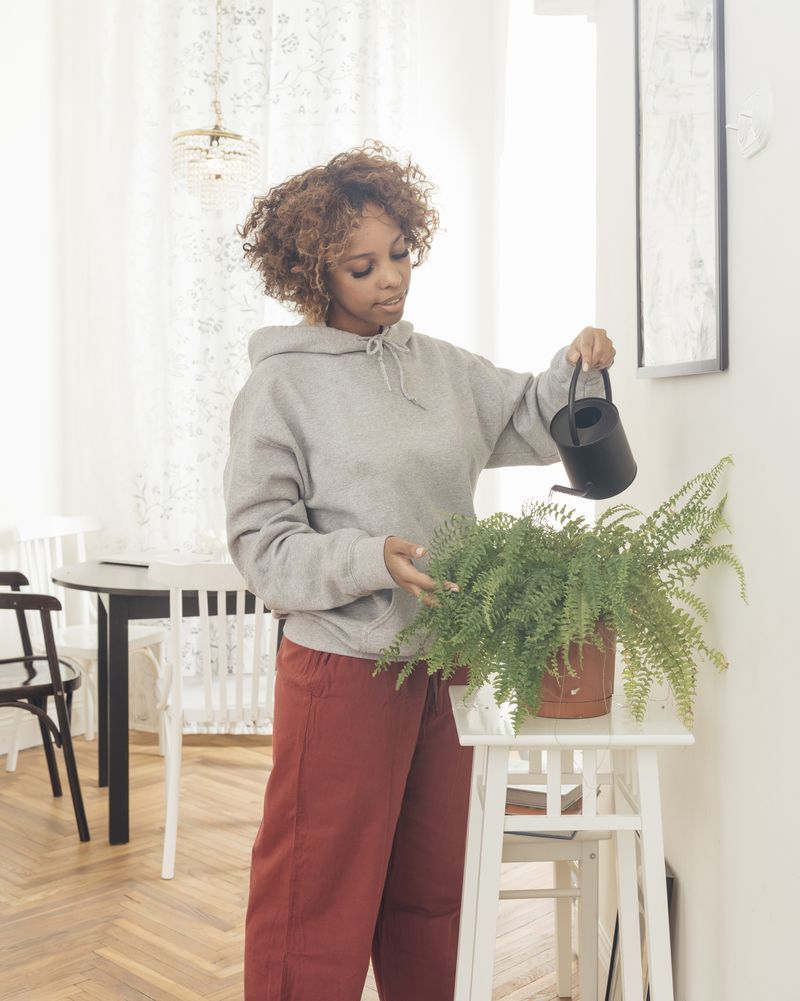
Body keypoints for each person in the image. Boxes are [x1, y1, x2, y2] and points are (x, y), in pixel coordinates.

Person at [224, 141, 615, 1001]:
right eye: (362, 267)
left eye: (400, 253)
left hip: (448, 659)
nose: (390, 279)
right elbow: (260, 543)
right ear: (314, 273)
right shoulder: (282, 387)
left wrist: (575, 365)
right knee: (314, 896)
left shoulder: (435, 363)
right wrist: (373, 559)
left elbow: (527, 415)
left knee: (434, 892)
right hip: (345, 665)